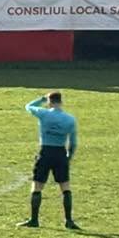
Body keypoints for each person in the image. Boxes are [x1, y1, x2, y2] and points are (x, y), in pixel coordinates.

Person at [22, 91, 79, 230]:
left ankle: (34, 220)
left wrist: (41, 99)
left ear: (49, 102)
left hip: (45, 152)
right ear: (61, 102)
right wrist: (68, 157)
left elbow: (28, 106)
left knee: (37, 186)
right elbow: (73, 142)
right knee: (65, 187)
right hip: (60, 153)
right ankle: (69, 221)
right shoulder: (70, 119)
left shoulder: (43, 114)